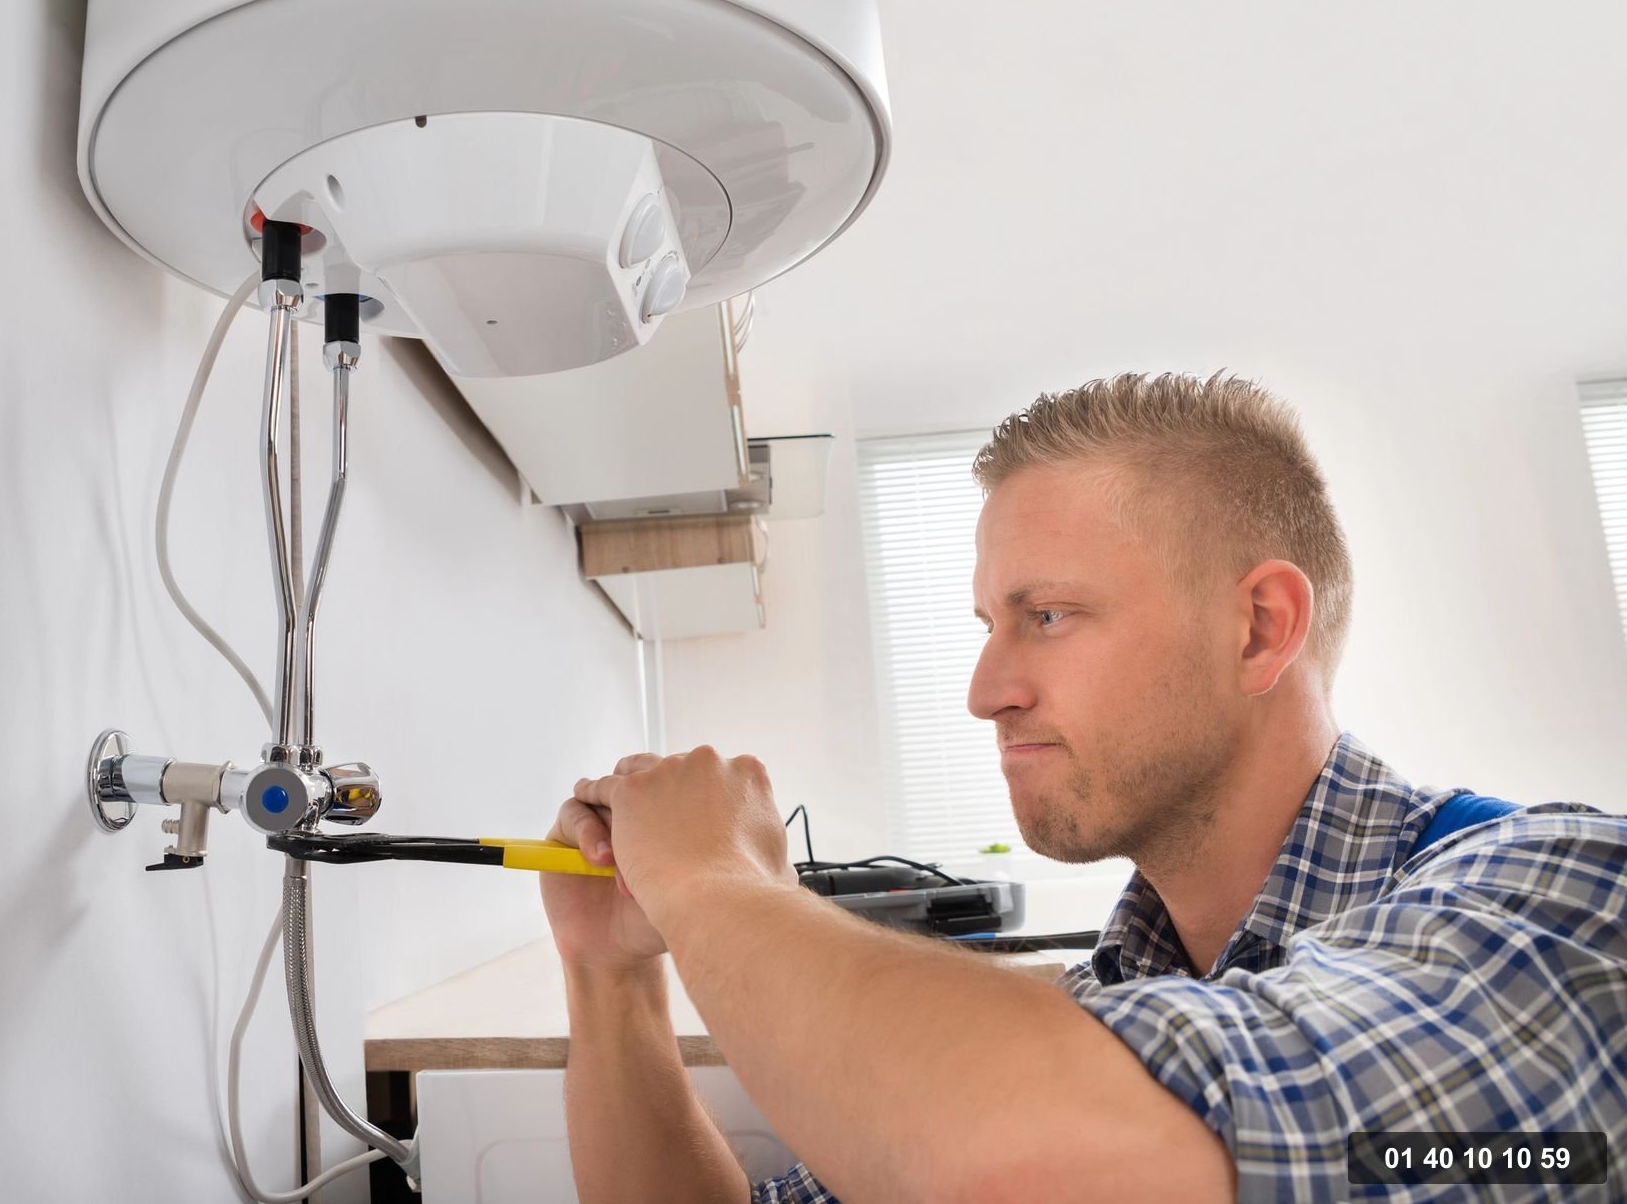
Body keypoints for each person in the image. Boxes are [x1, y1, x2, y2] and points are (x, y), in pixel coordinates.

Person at [539, 372, 1627, 1203]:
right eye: (991, 625)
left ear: (1258, 628)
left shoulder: (1563, 894)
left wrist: (714, 878)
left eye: (1048, 616)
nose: (985, 691)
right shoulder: (1110, 1001)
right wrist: (610, 973)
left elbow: (1063, 1164)